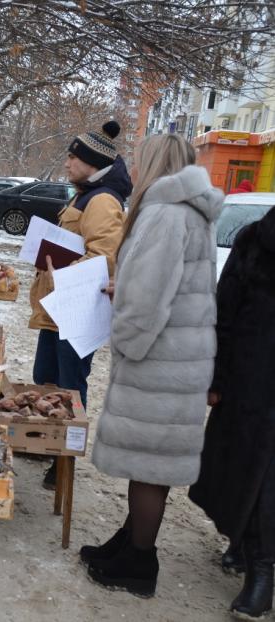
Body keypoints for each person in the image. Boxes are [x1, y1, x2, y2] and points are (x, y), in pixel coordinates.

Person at [82, 134, 223, 598]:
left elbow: (148, 300)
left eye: (139, 161)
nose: (134, 170)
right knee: (150, 466)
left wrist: (125, 336)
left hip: (159, 360)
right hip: (178, 360)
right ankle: (129, 543)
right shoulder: (188, 211)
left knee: (148, 467)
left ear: (155, 164)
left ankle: (139, 562)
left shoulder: (164, 213)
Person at [29, 120, 131, 489]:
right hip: (59, 309)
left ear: (91, 162)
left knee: (70, 388)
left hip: (76, 311)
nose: (67, 163)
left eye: (74, 157)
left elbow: (105, 256)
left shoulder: (102, 200)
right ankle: (47, 444)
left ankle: (65, 463)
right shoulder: (84, 193)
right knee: (48, 380)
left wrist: (64, 271)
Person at [188, 205, 275, 619]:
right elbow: (225, 312)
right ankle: (243, 545)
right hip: (250, 383)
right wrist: (217, 377)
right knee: (244, 471)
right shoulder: (256, 239)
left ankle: (262, 570)